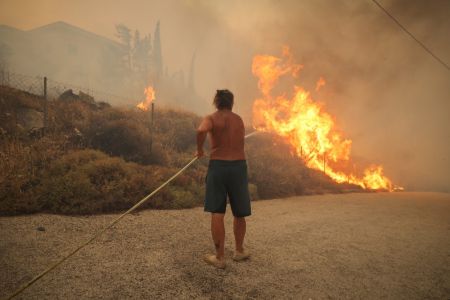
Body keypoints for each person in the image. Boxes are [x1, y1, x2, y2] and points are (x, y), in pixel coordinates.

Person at [196, 89, 251, 269]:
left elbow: (200, 130)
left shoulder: (212, 118)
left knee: (217, 212)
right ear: (231, 102)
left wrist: (199, 150)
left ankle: (219, 258)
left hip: (219, 166)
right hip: (238, 167)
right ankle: (239, 251)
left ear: (216, 102)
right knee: (239, 212)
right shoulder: (239, 120)